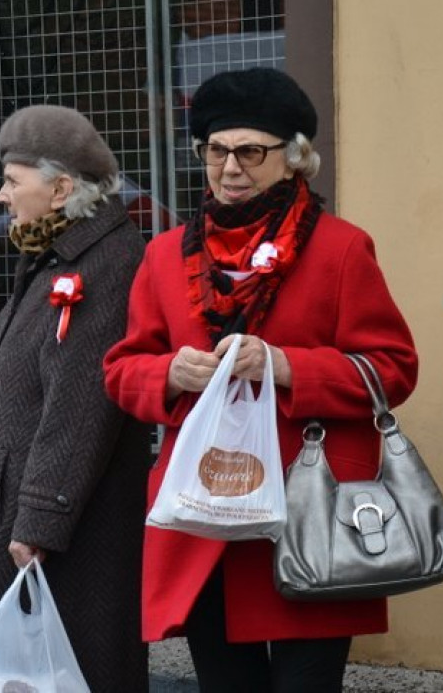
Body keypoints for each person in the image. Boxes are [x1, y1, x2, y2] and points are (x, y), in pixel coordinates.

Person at [103, 67, 418, 693]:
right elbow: (122, 368)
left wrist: (284, 365)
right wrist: (168, 373)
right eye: (216, 150)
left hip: (309, 514)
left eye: (251, 151)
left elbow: (393, 368)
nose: (230, 167)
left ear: (294, 157)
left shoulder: (341, 249)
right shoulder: (164, 254)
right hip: (204, 512)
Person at [0, 105, 151, 691]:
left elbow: (80, 408)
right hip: (14, 510)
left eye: (12, 181)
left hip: (40, 526)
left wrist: (41, 520)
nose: (1, 197)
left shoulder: (106, 262)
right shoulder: (53, 253)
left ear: (60, 188)